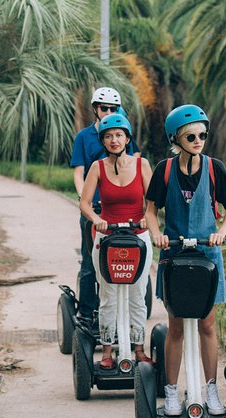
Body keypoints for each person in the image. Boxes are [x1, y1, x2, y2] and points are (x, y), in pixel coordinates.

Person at [144, 104, 226, 416]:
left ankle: (211, 391)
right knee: (175, 327)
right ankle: (172, 393)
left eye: (203, 134)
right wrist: (157, 233)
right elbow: (150, 210)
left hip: (207, 255)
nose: (199, 140)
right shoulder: (165, 170)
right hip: (174, 255)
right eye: (192, 135)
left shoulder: (215, 168)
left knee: (208, 325)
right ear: (178, 138)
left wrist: (221, 232)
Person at [79, 113, 153, 369]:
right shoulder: (97, 168)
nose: (114, 140)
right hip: (106, 236)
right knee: (108, 295)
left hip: (138, 237)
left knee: (137, 294)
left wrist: (146, 217)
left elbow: (154, 201)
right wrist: (96, 218)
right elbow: (85, 203)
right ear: (103, 140)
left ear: (127, 138)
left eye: (119, 135)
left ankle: (139, 349)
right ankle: (108, 352)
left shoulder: (142, 165)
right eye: (109, 136)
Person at [70, 87, 141, 326]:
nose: (108, 112)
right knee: (92, 261)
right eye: (104, 108)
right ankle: (88, 312)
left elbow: (135, 166)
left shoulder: (122, 134)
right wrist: (85, 200)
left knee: (129, 256)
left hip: (122, 211)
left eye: (113, 108)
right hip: (96, 211)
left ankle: (128, 312)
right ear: (95, 109)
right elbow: (79, 172)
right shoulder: (84, 137)